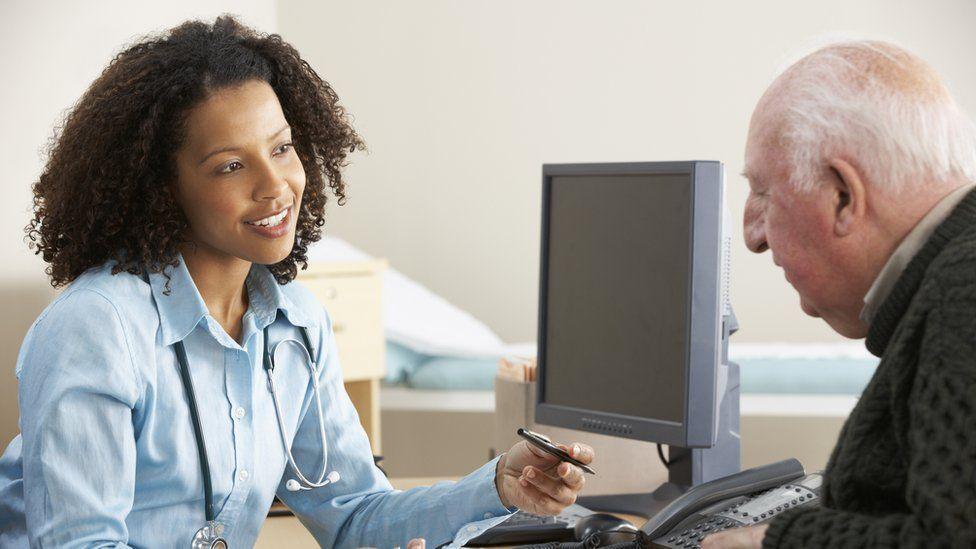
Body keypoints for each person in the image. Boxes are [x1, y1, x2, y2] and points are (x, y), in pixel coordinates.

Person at [0, 16, 593, 548]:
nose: (275, 185)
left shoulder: (296, 327)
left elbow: (356, 515)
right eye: (230, 166)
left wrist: (501, 485)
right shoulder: (96, 328)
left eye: (281, 148)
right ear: (161, 187)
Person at [703, 40, 976, 548]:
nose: (752, 235)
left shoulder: (965, 288)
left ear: (844, 196)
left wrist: (767, 543)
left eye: (764, 192)